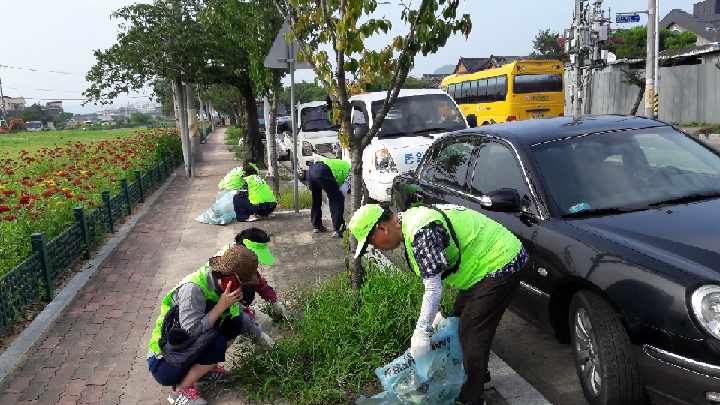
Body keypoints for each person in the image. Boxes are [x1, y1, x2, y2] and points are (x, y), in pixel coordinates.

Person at [348, 203, 529, 405]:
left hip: (502, 261)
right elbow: (435, 274)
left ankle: (472, 397)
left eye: (372, 242)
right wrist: (434, 316)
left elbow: (433, 288)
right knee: (457, 319)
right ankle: (477, 374)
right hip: (482, 267)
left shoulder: (420, 231)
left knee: (471, 332)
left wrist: (422, 331)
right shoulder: (410, 224)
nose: (375, 247)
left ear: (382, 228)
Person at [147, 246, 267, 405]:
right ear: (230, 278)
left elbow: (240, 319)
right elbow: (190, 331)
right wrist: (219, 307)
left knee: (234, 323)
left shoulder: (221, 285)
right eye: (243, 283)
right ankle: (180, 391)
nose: (243, 288)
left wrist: (266, 342)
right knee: (216, 343)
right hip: (164, 360)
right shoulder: (193, 289)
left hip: (182, 350)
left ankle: (205, 372)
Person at [214, 227, 291, 321]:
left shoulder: (242, 256)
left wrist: (274, 301)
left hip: (231, 300)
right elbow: (232, 303)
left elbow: (258, 281)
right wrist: (251, 320)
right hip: (216, 309)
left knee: (250, 284)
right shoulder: (227, 269)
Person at [307, 158, 351, 237]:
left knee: (316, 199)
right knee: (337, 199)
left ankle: (317, 226)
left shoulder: (344, 166)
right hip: (323, 170)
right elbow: (343, 190)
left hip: (311, 171)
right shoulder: (351, 172)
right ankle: (339, 230)